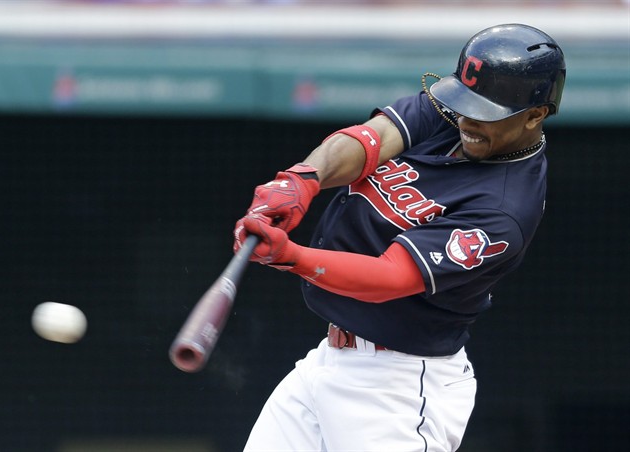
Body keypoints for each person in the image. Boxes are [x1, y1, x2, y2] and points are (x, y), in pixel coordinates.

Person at [233, 23, 566, 452]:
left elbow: (389, 277)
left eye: (483, 111)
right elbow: (371, 139)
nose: (465, 119)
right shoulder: (454, 116)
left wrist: (290, 255)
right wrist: (302, 180)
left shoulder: (506, 209)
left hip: (398, 387)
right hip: (328, 363)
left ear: (535, 115)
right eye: (463, 102)